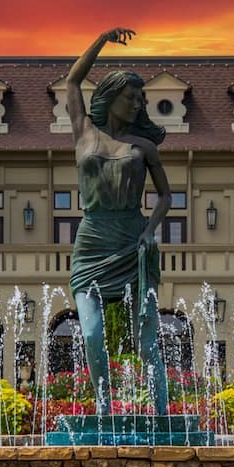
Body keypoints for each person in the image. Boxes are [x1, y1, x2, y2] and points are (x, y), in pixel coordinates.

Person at [66, 27, 170, 415]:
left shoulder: (143, 146)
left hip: (132, 240)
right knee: (92, 333)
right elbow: (73, 80)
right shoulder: (84, 133)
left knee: (147, 342)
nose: (137, 104)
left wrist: (148, 232)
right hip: (92, 239)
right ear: (111, 98)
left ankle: (160, 413)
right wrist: (102, 39)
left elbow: (165, 196)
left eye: (140, 99)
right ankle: (104, 406)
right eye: (130, 97)